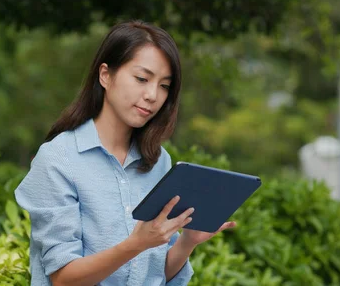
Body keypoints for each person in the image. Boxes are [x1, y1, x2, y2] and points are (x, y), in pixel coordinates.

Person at [14, 20, 236, 286]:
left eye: (165, 85)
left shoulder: (159, 161)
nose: (153, 95)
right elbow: (64, 278)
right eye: (142, 79)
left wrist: (187, 242)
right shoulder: (59, 159)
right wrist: (136, 244)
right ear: (105, 75)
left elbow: (155, 273)